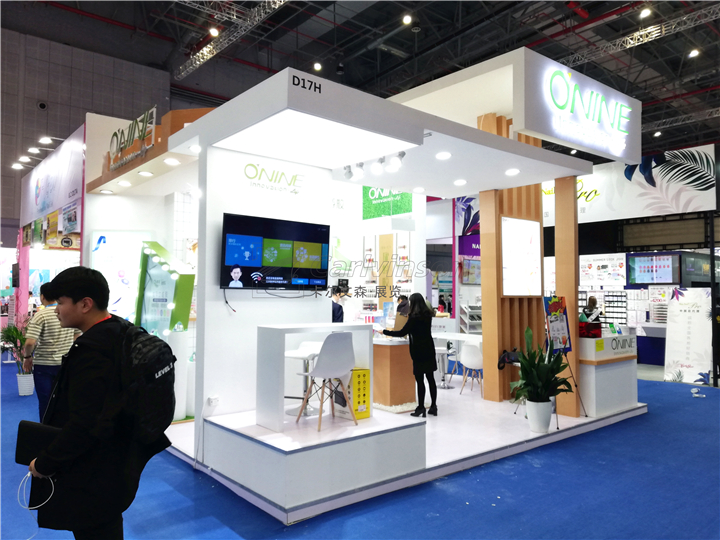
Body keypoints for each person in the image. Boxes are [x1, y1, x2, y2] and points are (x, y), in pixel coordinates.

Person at [28, 267, 170, 540]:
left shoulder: (93, 352)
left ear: (85, 304)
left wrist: (45, 462)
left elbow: (84, 423)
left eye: (61, 303)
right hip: (117, 459)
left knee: (95, 529)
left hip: (93, 471)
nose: (56, 310)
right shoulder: (121, 330)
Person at [22, 282, 81, 420]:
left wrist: (27, 357)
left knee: (45, 402)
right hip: (65, 363)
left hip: (44, 365)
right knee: (64, 400)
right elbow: (77, 336)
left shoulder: (41, 315)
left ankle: (46, 429)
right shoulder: (69, 313)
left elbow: (30, 342)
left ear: (42, 296)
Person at [382, 292, 438, 417]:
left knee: (420, 380)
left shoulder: (413, 318)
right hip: (429, 349)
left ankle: (421, 407)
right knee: (431, 378)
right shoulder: (428, 315)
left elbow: (402, 332)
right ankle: (434, 406)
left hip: (418, 351)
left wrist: (385, 332)